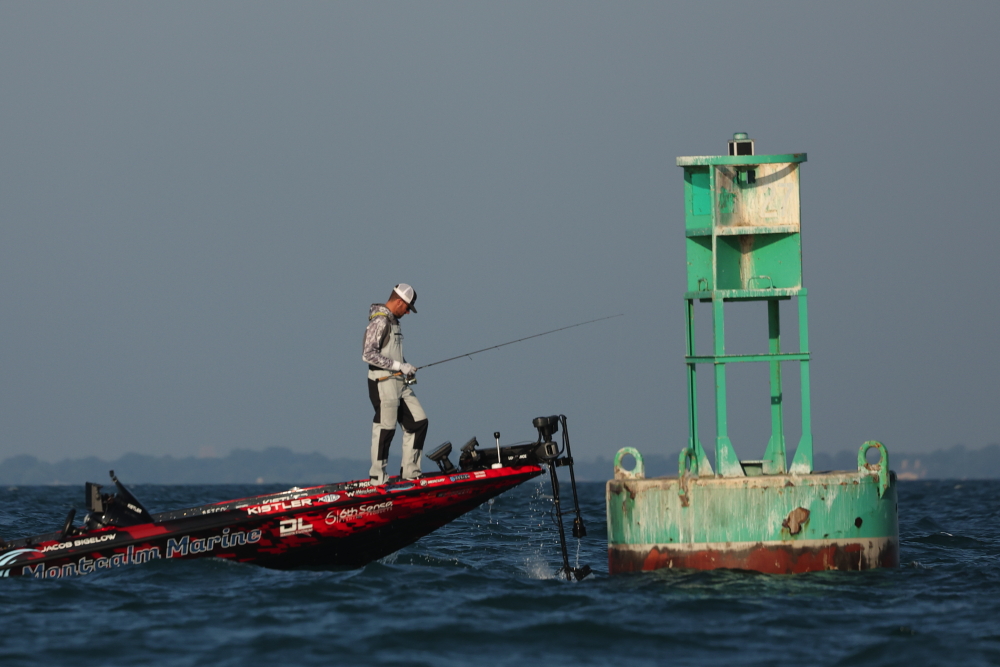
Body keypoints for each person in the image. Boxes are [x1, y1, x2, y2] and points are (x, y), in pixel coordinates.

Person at [362, 283, 427, 484]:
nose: (407, 312)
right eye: (407, 307)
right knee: (385, 428)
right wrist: (399, 365)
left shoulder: (394, 322)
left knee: (418, 422)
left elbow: (391, 353)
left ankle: (411, 473)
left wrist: (405, 366)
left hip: (399, 382)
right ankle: (377, 478)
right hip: (383, 383)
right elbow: (368, 354)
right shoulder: (380, 321)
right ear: (399, 301)